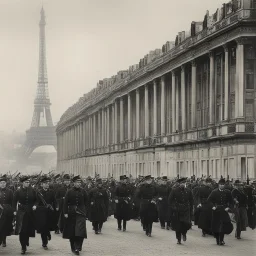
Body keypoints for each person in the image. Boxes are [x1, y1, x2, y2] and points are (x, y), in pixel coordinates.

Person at [63, 175, 88, 255]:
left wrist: (86, 212)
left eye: (80, 182)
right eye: (77, 182)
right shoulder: (69, 191)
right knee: (72, 231)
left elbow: (87, 202)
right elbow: (65, 203)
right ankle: (73, 247)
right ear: (73, 183)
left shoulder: (83, 191)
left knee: (80, 231)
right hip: (71, 213)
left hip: (81, 213)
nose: (79, 184)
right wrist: (65, 212)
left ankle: (78, 247)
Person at [13, 176, 37, 254]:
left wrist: (35, 205)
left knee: (28, 229)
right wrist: (14, 211)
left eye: (28, 182)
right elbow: (14, 202)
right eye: (26, 182)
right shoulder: (18, 191)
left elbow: (36, 200)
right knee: (22, 230)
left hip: (30, 212)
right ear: (22, 183)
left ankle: (26, 241)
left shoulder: (32, 190)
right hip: (21, 212)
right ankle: (23, 246)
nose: (28, 183)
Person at [207, 178, 233, 245]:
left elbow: (231, 202)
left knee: (224, 225)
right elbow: (209, 201)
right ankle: (217, 238)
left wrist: (228, 207)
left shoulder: (227, 192)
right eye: (221, 184)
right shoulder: (214, 192)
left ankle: (221, 240)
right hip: (216, 210)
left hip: (224, 210)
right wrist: (213, 206)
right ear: (218, 185)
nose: (222, 186)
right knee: (216, 225)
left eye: (223, 184)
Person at [168, 177, 193, 244]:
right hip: (177, 209)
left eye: (184, 183)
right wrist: (174, 207)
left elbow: (191, 200)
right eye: (181, 183)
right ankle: (178, 239)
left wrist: (190, 209)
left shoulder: (188, 191)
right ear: (179, 183)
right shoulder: (174, 190)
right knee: (178, 225)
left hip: (186, 209)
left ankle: (184, 233)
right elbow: (170, 200)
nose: (183, 184)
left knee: (186, 223)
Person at [34, 176, 57, 249]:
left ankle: (48, 234)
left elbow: (54, 200)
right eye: (45, 183)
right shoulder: (39, 192)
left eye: (48, 183)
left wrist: (56, 206)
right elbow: (37, 201)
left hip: (49, 212)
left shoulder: (52, 192)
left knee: (48, 225)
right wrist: (35, 206)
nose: (47, 184)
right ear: (42, 184)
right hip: (41, 212)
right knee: (43, 226)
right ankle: (44, 242)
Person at [0, 175, 14, 247]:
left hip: (7, 211)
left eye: (4, 183)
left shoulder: (10, 191)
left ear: (6, 183)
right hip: (0, 211)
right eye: (1, 183)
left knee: (4, 226)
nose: (2, 184)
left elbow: (12, 202)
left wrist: (12, 211)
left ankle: (3, 240)